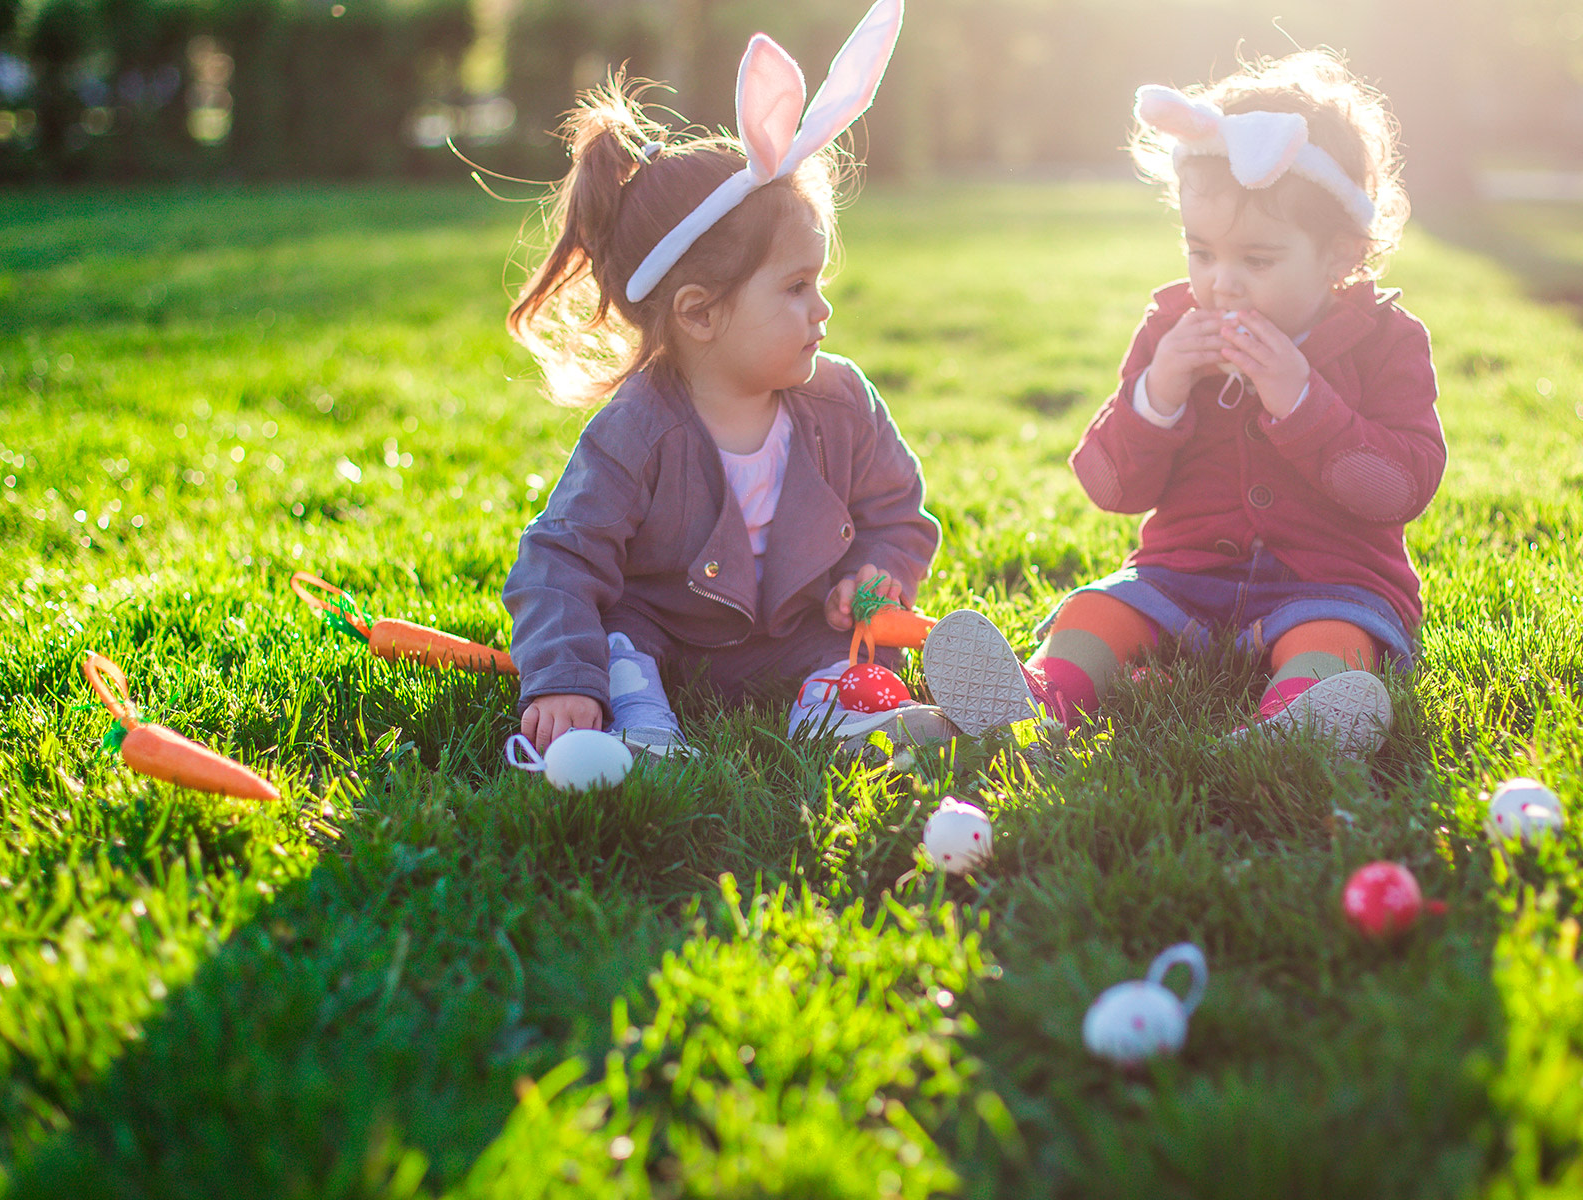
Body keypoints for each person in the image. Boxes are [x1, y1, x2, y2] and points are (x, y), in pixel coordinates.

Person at [921, 50, 1441, 758]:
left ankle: (1291, 727)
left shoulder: (1387, 340)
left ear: (1339, 256)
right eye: (1202, 253)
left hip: (1330, 582)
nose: (1221, 283)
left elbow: (1398, 489)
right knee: (1098, 609)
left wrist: (1301, 401)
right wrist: (1159, 390)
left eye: (1256, 260)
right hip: (1182, 578)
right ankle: (1037, 699)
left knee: (1334, 640)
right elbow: (1110, 486)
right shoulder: (1171, 331)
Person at [503, 0, 955, 757]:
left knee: (849, 647)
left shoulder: (842, 402)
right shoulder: (637, 430)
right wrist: (559, 676)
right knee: (623, 641)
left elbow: (896, 512)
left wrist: (875, 570)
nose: (823, 306)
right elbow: (561, 557)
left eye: (818, 282)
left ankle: (838, 713)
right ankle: (640, 723)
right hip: (665, 639)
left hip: (798, 634)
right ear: (700, 314)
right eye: (795, 287)